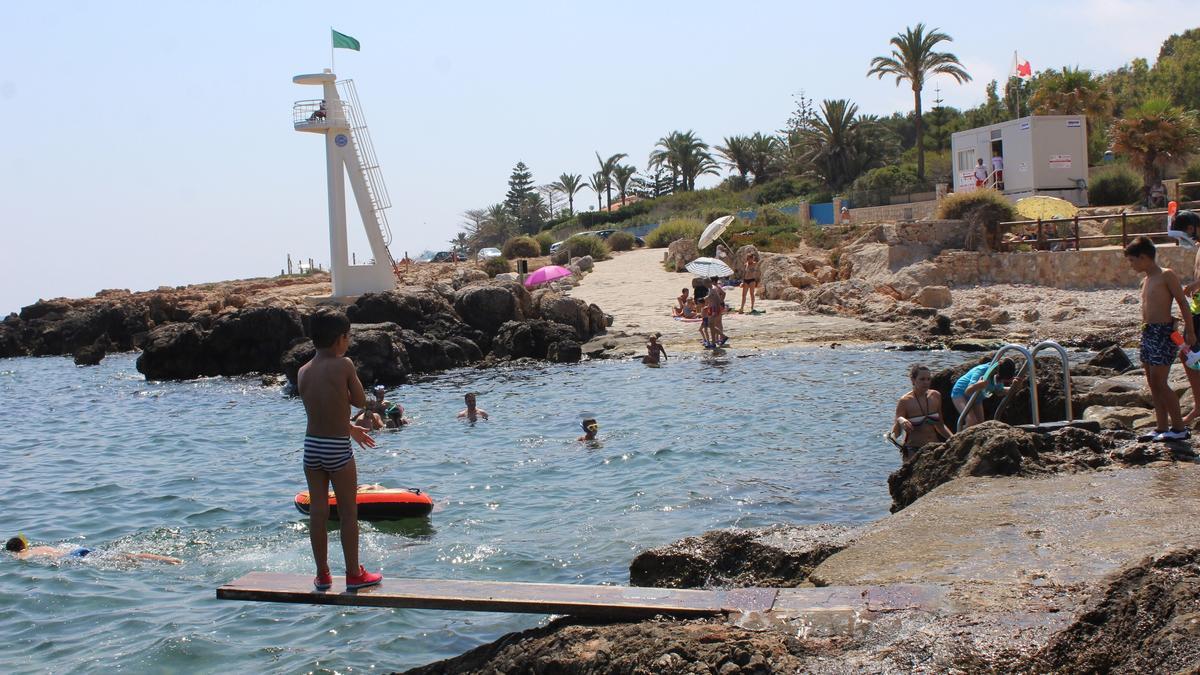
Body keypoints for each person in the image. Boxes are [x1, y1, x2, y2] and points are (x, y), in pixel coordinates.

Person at [297, 307, 382, 591]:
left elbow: (323, 408)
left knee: (318, 513)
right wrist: (348, 389)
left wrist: (350, 427)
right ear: (340, 339)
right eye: (348, 337)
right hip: (336, 448)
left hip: (312, 448)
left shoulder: (302, 371)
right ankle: (353, 573)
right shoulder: (344, 364)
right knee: (348, 512)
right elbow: (360, 401)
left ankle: (322, 575)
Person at [1125, 236, 1195, 441]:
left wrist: (1190, 330)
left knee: (1160, 381)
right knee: (1152, 382)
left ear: (1144, 257)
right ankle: (1161, 426)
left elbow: (1182, 302)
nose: (1131, 265)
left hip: (1163, 332)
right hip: (1148, 332)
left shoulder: (1166, 275)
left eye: (1132, 260)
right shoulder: (1145, 280)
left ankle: (1179, 428)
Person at [890, 365, 953, 461]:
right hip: (913, 450)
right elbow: (895, 432)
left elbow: (940, 425)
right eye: (922, 379)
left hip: (934, 447)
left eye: (928, 379)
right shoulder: (905, 401)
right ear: (913, 380)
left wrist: (954, 439)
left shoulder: (935, 396)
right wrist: (901, 420)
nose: (926, 382)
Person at [5, 534, 181, 564]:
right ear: (24, 544)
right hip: (78, 549)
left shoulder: (23, 556)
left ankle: (166, 561)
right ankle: (166, 559)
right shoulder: (40, 546)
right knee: (129, 555)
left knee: (119, 559)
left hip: (74, 558)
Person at [950, 359, 1020, 429]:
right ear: (997, 371)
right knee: (972, 422)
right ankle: (957, 436)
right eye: (1000, 379)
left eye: (1003, 380)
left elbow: (999, 392)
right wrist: (978, 385)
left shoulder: (999, 375)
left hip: (977, 397)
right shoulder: (982, 371)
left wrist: (1014, 387)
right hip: (960, 393)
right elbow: (968, 391)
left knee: (980, 425)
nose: (1001, 381)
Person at [706, 277, 728, 347]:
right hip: (717, 306)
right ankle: (718, 339)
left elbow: (723, 293)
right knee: (718, 323)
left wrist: (720, 301)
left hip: (715, 307)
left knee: (714, 323)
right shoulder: (715, 287)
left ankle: (717, 339)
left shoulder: (714, 287)